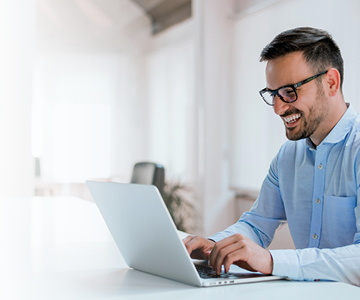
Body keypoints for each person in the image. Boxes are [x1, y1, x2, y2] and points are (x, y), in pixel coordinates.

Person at [183, 27, 360, 286]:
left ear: (331, 82)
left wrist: (270, 261)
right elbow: (257, 224)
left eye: (290, 91)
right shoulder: (289, 156)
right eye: (273, 94)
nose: (278, 108)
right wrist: (214, 245)